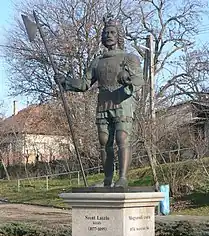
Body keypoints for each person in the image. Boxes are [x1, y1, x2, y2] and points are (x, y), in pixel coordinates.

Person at [55, 14, 143, 187]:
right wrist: (66, 81)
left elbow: (139, 80)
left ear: (119, 36)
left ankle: (123, 178)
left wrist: (127, 80)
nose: (108, 35)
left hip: (122, 102)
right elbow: (84, 84)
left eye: (112, 32)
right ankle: (108, 179)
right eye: (106, 33)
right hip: (103, 103)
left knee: (121, 138)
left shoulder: (129, 58)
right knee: (104, 141)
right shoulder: (97, 62)